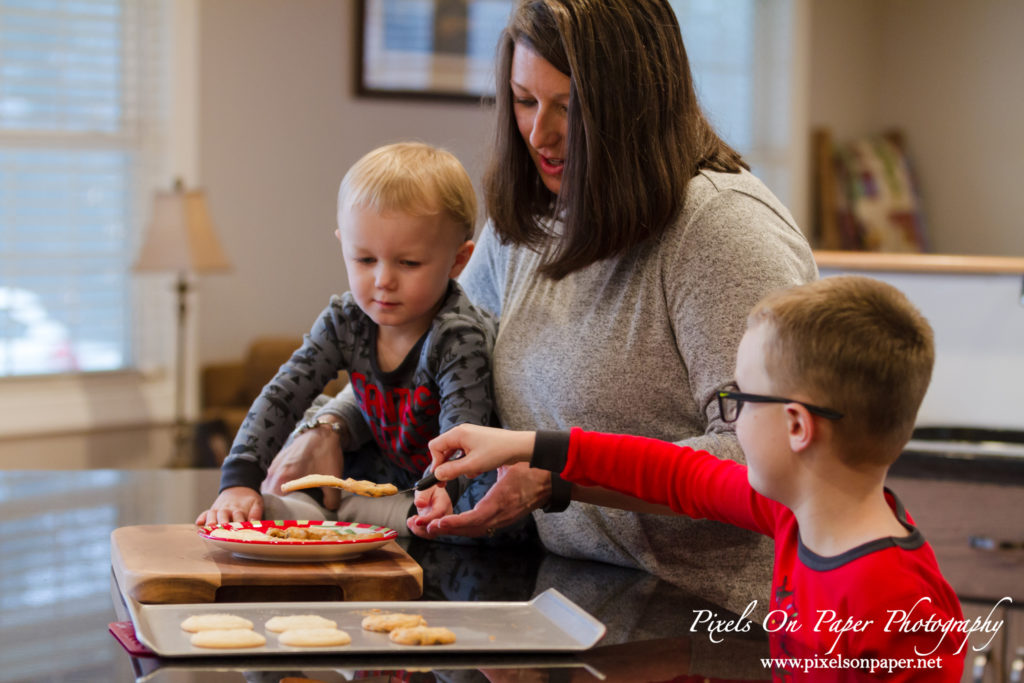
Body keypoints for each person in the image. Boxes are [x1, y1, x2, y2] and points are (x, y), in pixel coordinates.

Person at [291, 0, 816, 613]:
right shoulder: (533, 217)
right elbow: (431, 344)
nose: (541, 133)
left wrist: (559, 476)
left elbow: (767, 458)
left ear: (640, 104)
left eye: (571, 107)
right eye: (524, 100)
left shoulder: (723, 232)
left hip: (712, 618)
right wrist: (329, 424)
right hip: (570, 595)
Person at [427, 276, 966, 681]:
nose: (730, 419)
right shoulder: (789, 515)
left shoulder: (899, 604)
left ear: (797, 426)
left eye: (741, 400)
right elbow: (674, 473)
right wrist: (527, 445)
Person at [195, 142, 497, 533]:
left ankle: (328, 515)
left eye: (408, 263)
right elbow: (283, 395)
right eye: (365, 259)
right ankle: (314, 509)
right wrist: (238, 482)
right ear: (343, 245)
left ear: (459, 260)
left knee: (462, 517)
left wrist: (442, 487)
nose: (383, 280)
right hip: (377, 477)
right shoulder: (345, 318)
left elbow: (462, 433)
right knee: (313, 413)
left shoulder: (458, 337)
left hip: (438, 491)